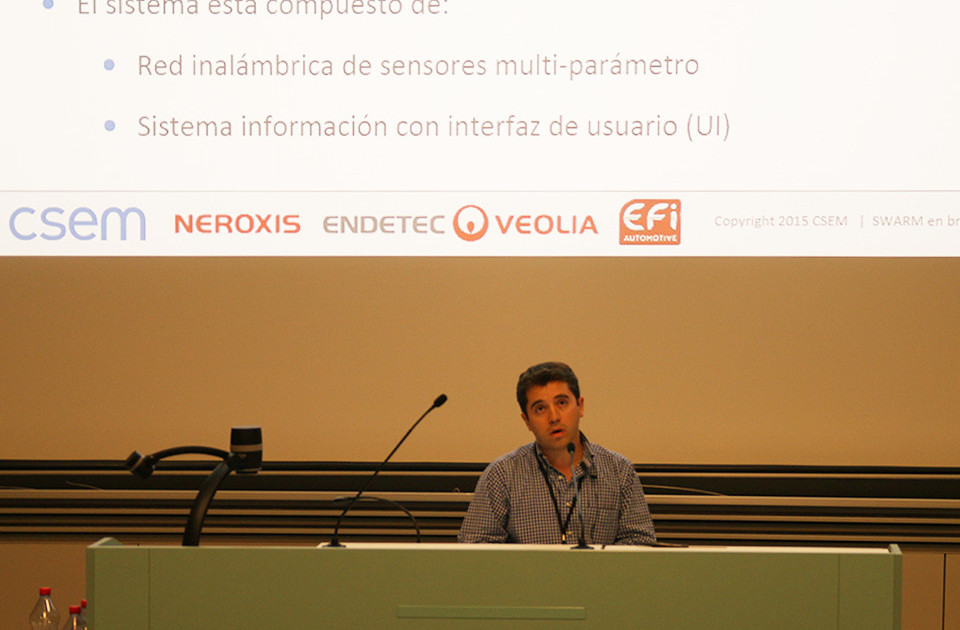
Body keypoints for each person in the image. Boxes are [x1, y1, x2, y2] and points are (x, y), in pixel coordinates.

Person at [458, 361, 656, 545]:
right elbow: (475, 548)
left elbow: (640, 543)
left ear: (580, 406)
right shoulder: (502, 475)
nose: (554, 417)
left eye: (561, 403)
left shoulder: (619, 471)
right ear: (527, 421)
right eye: (540, 409)